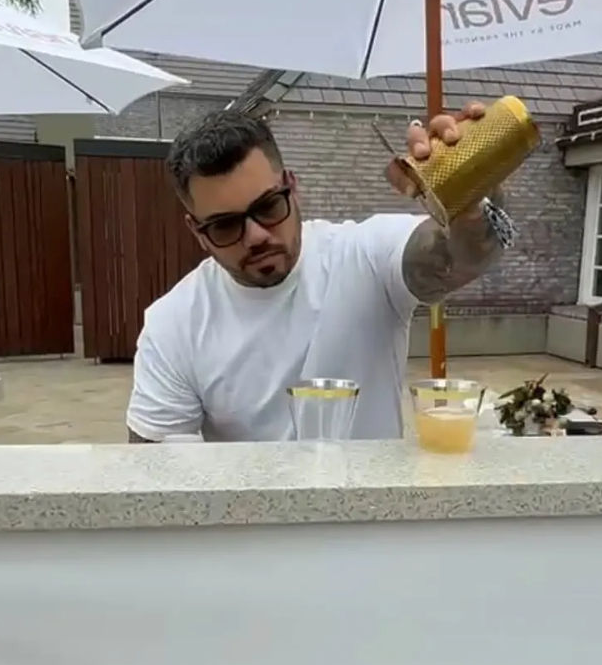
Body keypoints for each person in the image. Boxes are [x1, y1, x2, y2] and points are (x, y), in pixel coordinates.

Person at [127, 104, 515, 442]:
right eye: (226, 226)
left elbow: (459, 257)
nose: (256, 236)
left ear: (292, 187)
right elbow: (155, 470)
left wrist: (469, 196)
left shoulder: (362, 256)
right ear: (197, 231)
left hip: (370, 505)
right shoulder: (174, 324)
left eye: (268, 206)